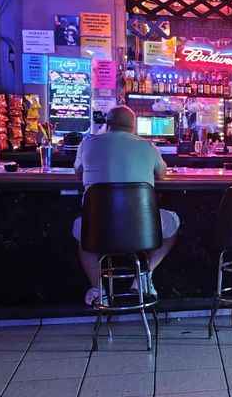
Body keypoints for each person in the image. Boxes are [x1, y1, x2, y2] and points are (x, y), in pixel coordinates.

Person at [73, 105, 180, 306]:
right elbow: (162, 174)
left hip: (98, 227)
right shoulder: (147, 147)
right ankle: (144, 275)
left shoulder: (87, 144)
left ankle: (98, 289)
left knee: (82, 231)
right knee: (172, 223)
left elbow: (78, 173)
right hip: (141, 229)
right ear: (133, 126)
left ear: (107, 124)